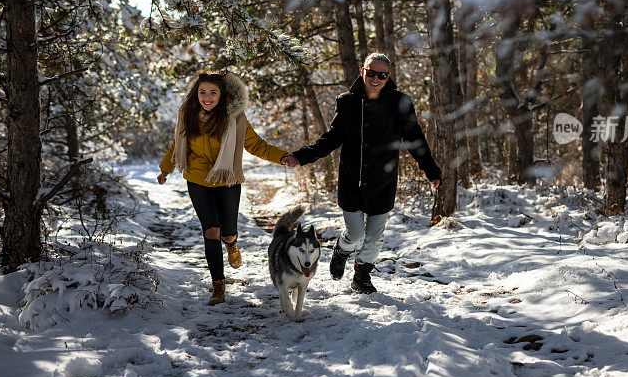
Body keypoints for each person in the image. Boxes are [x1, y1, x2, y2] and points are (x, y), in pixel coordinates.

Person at [286, 53, 441, 293]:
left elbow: (415, 139)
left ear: (388, 77)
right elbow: (331, 139)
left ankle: (361, 275)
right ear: (363, 72)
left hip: (383, 182)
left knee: (375, 238)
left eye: (382, 75)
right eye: (371, 73)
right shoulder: (347, 102)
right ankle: (341, 250)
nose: (376, 78)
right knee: (355, 233)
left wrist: (430, 170)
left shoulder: (401, 103)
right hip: (351, 181)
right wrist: (301, 156)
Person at [157, 72, 296, 305]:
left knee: (227, 232)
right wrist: (165, 169)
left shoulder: (236, 118)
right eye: (202, 92)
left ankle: (232, 243)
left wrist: (283, 157)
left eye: (213, 92)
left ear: (222, 95)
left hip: (227, 180)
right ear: (196, 93)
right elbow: (176, 144)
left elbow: (256, 145)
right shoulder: (187, 115)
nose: (207, 97)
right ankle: (218, 286)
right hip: (198, 180)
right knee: (211, 232)